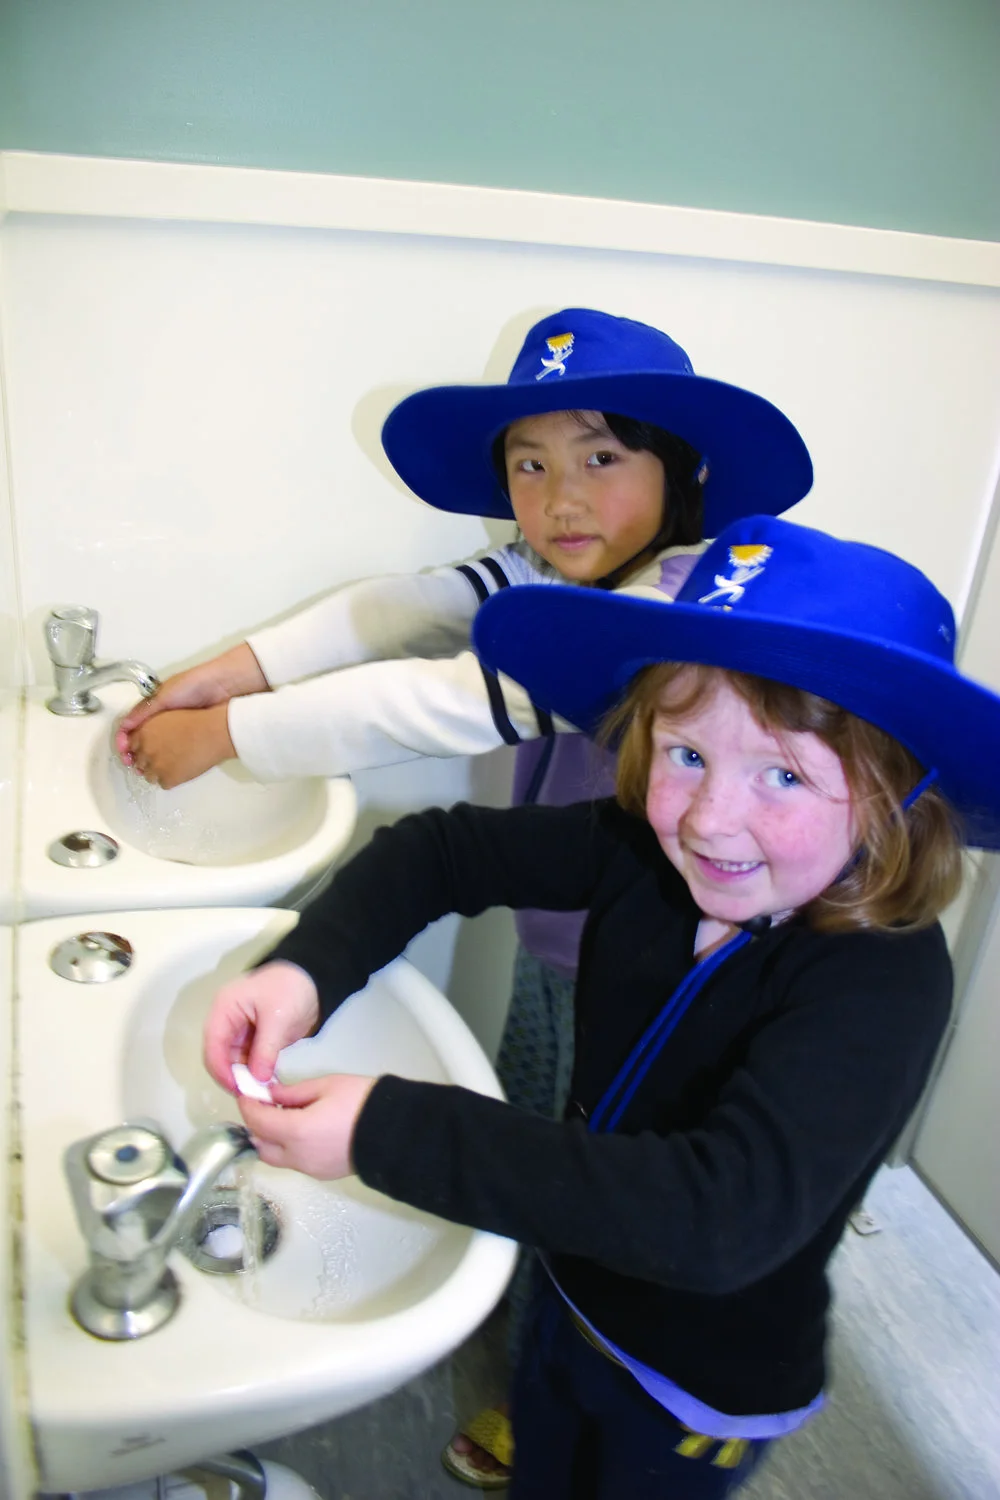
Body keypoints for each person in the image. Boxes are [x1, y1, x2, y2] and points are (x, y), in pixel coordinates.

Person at [124, 309, 812, 1482]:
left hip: (667, 948)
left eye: (601, 457)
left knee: (600, 1171)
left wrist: (225, 736)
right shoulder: (556, 565)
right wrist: (226, 671)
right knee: (547, 1126)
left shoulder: (685, 595)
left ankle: (549, 1370)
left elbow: (446, 700)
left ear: (681, 470)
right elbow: (395, 606)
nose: (560, 499)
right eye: (529, 465)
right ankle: (540, 1360)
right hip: (570, 920)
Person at [202, 514, 1000, 1497]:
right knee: (544, 1461)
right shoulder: (643, 853)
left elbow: (719, 1217)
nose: (710, 819)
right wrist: (303, 971)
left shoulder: (882, 980)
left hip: (696, 1384)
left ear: (891, 798)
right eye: (686, 754)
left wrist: (388, 1130)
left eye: (784, 774)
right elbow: (438, 850)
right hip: (572, 1289)